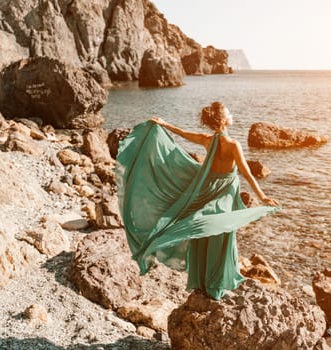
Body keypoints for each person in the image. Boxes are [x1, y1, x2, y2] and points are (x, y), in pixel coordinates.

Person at [115, 101, 280, 300]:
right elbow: (247, 174)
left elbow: (182, 133)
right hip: (223, 194)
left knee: (204, 233)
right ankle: (216, 283)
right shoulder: (233, 145)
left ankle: (202, 282)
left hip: (206, 191)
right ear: (224, 120)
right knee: (221, 235)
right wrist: (262, 197)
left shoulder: (207, 140)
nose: (232, 114)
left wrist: (164, 124)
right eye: (229, 113)